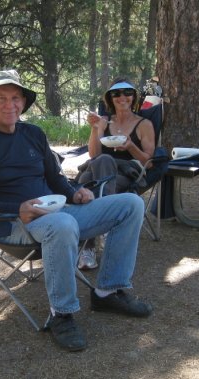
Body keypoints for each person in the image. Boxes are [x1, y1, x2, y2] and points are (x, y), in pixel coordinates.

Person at [0, 69, 152, 353]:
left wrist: (75, 192)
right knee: (62, 224)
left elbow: (55, 177)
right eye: (1, 99)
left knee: (131, 204)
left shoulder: (33, 133)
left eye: (15, 98)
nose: (10, 105)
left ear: (23, 102)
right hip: (11, 222)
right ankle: (62, 314)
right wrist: (17, 209)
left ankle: (108, 291)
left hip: (58, 212)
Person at [77, 77, 155, 271]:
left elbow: (149, 161)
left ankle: (89, 245)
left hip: (129, 173)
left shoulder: (144, 124)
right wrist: (97, 129)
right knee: (99, 166)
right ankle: (103, 230)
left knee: (86, 181)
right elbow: (94, 155)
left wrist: (131, 146)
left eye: (127, 93)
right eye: (116, 93)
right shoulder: (104, 121)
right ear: (110, 99)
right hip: (104, 174)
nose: (122, 97)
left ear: (133, 97)